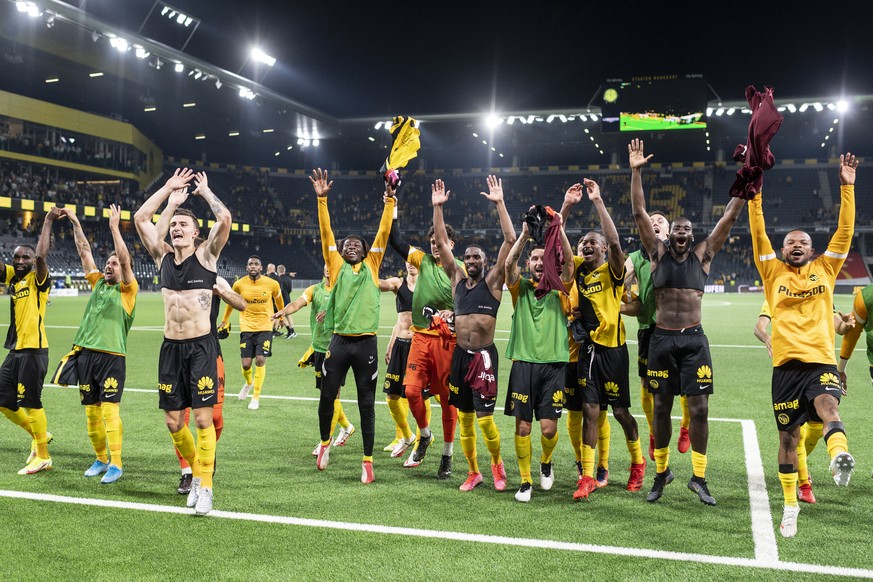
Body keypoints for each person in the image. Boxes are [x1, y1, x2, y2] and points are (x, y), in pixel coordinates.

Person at [629, 138, 746, 506]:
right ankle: (662, 473)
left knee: (699, 409)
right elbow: (638, 212)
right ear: (669, 235)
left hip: (694, 341)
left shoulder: (704, 255)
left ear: (691, 235)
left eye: (685, 229)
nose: (679, 233)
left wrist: (745, 179)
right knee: (661, 407)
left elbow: (729, 216)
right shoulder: (655, 254)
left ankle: (699, 476)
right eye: (675, 229)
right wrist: (635, 172)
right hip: (661, 340)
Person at [750, 153, 858, 538]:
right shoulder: (771, 272)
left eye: (804, 242)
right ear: (783, 250)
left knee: (828, 406)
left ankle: (838, 456)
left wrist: (847, 187)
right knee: (788, 438)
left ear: (812, 250)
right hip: (784, 370)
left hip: (820, 363)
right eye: (791, 242)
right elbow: (758, 232)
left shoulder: (826, 269)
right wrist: (755, 196)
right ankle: (791, 504)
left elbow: (844, 233)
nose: (797, 245)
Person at [134, 167, 231, 516]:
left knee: (203, 420)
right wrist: (168, 192)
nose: (176, 228)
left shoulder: (206, 257)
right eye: (173, 225)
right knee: (174, 422)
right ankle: (196, 471)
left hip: (201, 346)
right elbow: (142, 217)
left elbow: (224, 217)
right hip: (170, 349)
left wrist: (203, 192)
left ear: (196, 234)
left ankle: (205, 486)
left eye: (183, 226)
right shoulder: (161, 258)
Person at [432, 175, 515, 492]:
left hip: (484, 358)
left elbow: (509, 239)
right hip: (460, 358)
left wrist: (499, 203)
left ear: (485, 262)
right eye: (467, 257)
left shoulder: (494, 282)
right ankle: (472, 471)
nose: (470, 261)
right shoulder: (455, 279)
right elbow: (441, 243)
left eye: (476, 257)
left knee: (484, 420)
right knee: (464, 418)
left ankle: (496, 465)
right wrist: (438, 208)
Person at [311, 168, 394, 484]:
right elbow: (326, 234)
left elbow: (384, 233)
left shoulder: (372, 265)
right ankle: (324, 445)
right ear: (341, 250)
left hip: (366, 345)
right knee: (327, 397)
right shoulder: (334, 265)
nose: (353, 246)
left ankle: (368, 460)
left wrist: (389, 201)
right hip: (338, 343)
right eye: (348, 244)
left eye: (359, 244)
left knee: (366, 403)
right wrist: (322, 201)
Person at [564, 179, 645, 500]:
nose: (586, 245)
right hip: (588, 351)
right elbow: (558, 244)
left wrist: (598, 202)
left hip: (614, 352)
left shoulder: (613, 271)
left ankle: (638, 463)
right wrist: (567, 207)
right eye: (584, 241)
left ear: (602, 250)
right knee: (590, 409)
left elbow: (614, 242)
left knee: (622, 412)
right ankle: (586, 475)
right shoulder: (579, 270)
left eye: (592, 242)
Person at [53, 205, 137, 484]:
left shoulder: (127, 290)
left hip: (112, 357)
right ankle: (101, 459)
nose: (108, 266)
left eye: (113, 263)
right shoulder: (98, 283)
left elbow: (125, 263)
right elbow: (84, 251)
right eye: (108, 263)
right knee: (91, 413)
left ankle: (117, 463)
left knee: (110, 410)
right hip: (86, 355)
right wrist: (76, 221)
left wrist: (115, 228)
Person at [388, 191, 462, 479]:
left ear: (451, 244)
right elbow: (395, 240)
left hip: (447, 342)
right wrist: (392, 202)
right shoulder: (422, 261)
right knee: (410, 391)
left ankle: (447, 455)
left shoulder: (458, 270)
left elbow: (469, 306)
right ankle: (425, 435)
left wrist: (454, 314)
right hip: (420, 338)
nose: (434, 246)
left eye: (440, 241)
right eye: (432, 242)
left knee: (447, 400)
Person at [504, 206, 575, 502]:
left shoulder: (560, 289)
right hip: (523, 365)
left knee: (548, 430)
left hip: (554, 367)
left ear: (547, 262)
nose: (536, 262)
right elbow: (508, 266)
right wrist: (523, 236)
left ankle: (546, 462)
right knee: (522, 426)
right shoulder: (519, 289)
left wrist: (559, 227)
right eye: (532, 258)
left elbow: (569, 264)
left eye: (540, 257)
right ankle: (525, 480)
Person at [755, 301, 854, 505]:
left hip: (820, 365)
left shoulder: (821, 288)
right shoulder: (778, 290)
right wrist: (767, 337)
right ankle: (803, 484)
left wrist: (845, 326)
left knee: (819, 425)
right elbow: (759, 326)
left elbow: (837, 325)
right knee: (794, 433)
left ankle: (835, 457)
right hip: (790, 371)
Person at [622, 212, 692, 462]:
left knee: (688, 383)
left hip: (679, 328)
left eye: (661, 221)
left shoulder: (678, 253)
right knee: (646, 386)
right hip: (649, 330)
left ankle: (685, 427)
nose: (655, 223)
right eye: (651, 221)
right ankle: (654, 433)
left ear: (669, 231)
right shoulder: (634, 258)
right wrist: (623, 298)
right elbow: (619, 284)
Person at [1, 208, 59, 475]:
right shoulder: (14, 277)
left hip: (34, 350)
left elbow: (41, 255)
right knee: (3, 399)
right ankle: (39, 436)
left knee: (31, 403)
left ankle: (43, 456)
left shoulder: (38, 279)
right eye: (16, 257)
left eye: (25, 256)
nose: (21, 260)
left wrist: (47, 221)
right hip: (16, 350)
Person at [176, 274, 246, 494]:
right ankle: (188, 471)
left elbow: (241, 303)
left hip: (209, 352)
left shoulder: (214, 278)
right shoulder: (173, 274)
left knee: (213, 416)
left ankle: (208, 452)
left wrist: (221, 292)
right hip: (178, 354)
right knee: (180, 418)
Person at [273, 265, 355, 453]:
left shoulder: (344, 291)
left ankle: (325, 441)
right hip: (318, 347)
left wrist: (330, 312)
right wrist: (285, 311)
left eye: (331, 266)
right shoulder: (314, 290)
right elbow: (297, 303)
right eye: (326, 266)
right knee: (325, 394)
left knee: (333, 395)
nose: (328, 269)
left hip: (338, 348)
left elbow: (351, 313)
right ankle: (347, 427)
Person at [221, 255, 284, 410]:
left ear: (261, 268)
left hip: (265, 326)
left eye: (256, 264)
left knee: (260, 360)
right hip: (247, 328)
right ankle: (249, 383)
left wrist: (281, 315)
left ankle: (255, 397)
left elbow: (279, 300)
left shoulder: (272, 284)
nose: (253, 266)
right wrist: (225, 320)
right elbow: (231, 303)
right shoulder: (238, 285)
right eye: (251, 264)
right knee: (246, 364)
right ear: (247, 267)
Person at [378, 262, 427, 457]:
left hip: (420, 346)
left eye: (415, 261)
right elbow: (381, 284)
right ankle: (404, 435)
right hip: (400, 343)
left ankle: (422, 436)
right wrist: (390, 345)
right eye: (408, 261)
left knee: (419, 394)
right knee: (392, 395)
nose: (411, 265)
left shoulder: (427, 285)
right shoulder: (399, 283)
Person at [276, 265, 297, 339]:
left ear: (278, 271)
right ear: (284, 270)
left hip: (282, 300)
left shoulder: (279, 279)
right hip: (288, 298)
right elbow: (290, 289)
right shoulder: (288, 278)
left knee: (282, 315)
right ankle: (293, 332)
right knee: (288, 316)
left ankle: (290, 331)